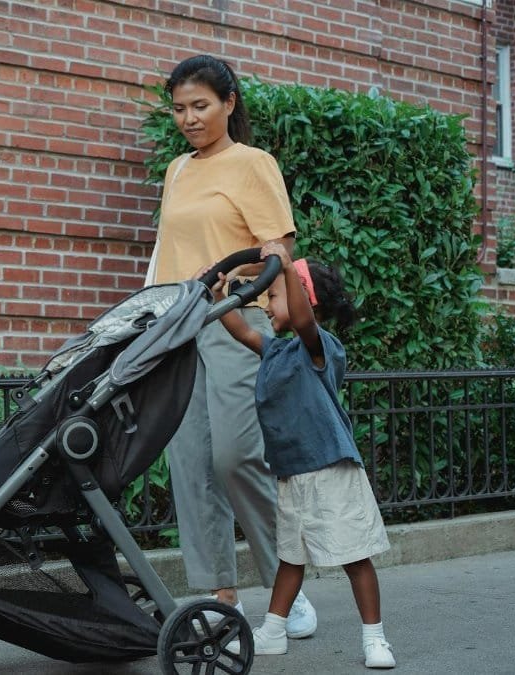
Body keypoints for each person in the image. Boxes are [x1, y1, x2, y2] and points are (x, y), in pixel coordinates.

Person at [148, 53, 315, 634]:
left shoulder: (252, 164)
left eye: (200, 106)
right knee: (190, 463)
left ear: (228, 104)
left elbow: (278, 249)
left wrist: (233, 283)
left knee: (237, 455)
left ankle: (285, 590)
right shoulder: (176, 170)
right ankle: (222, 595)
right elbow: (166, 255)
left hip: (236, 325)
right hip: (178, 327)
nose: (189, 118)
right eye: (179, 109)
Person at [210, 242, 394, 668]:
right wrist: (219, 295)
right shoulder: (274, 351)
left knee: (354, 557)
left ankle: (375, 638)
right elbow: (241, 331)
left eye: (272, 296)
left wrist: (287, 269)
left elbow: (305, 320)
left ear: (301, 297)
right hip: (292, 473)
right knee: (290, 559)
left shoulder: (320, 348)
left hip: (332, 469)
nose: (267, 305)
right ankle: (273, 631)